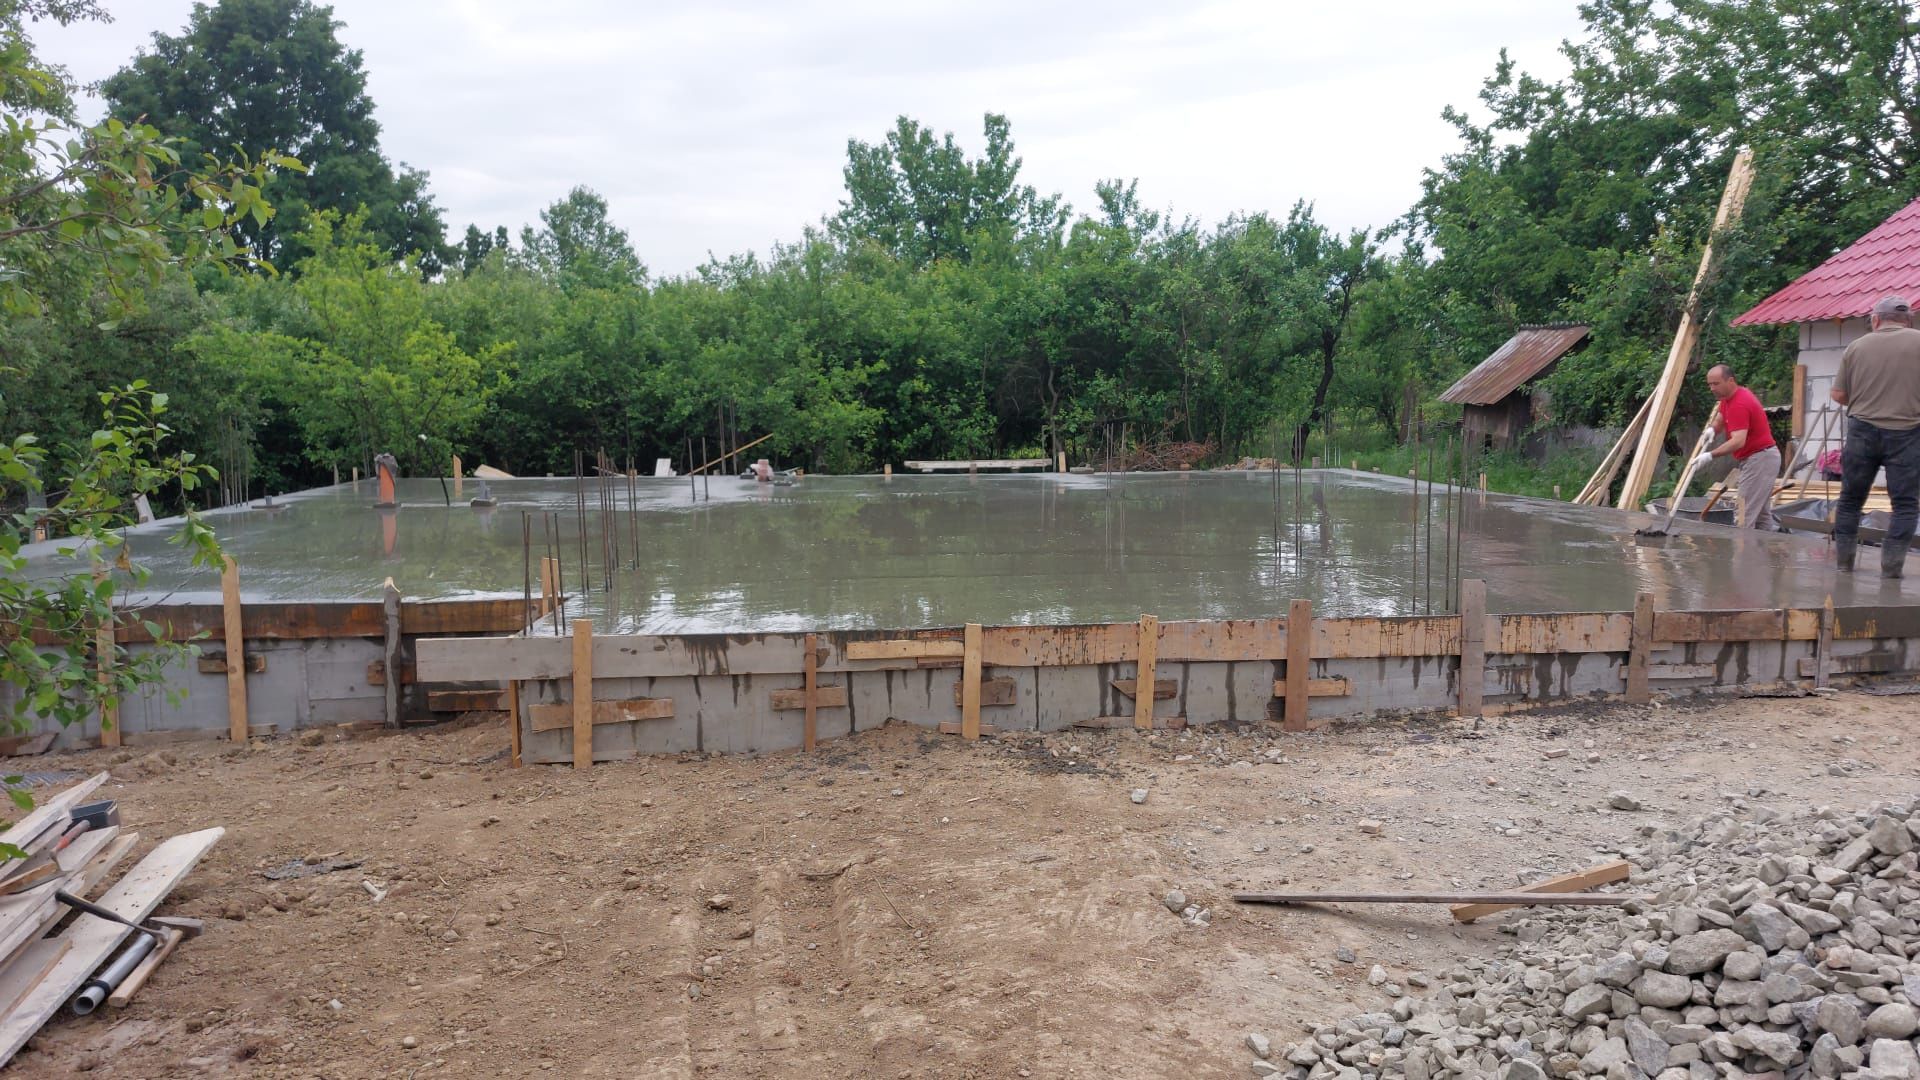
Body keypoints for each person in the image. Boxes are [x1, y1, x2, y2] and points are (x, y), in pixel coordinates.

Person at [1831, 295, 1920, 577]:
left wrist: (1868, 400)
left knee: (1851, 500)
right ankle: (1891, 568)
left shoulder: (1856, 347)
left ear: (1876, 319)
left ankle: (1844, 565)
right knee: (1905, 505)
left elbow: (1839, 394)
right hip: (1908, 433)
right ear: (1909, 320)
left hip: (1863, 432)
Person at [1690, 364, 1779, 531]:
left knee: (1743, 514)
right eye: (1709, 384)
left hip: (1760, 458)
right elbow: (1720, 418)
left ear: (1730, 381)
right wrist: (1712, 430)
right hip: (1760, 458)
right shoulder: (1728, 399)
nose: (1711, 388)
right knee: (1761, 515)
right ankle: (1763, 554)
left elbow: (1738, 441)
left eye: (1716, 383)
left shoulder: (1740, 403)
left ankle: (1743, 555)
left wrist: (1710, 455)